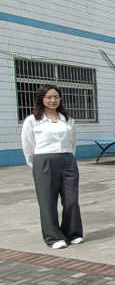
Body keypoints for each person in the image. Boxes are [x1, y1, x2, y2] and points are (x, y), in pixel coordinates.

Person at [21, 85, 84, 249]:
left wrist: (68, 158)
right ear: (41, 99)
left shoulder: (68, 120)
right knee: (47, 201)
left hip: (67, 160)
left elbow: (72, 142)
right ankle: (53, 237)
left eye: (56, 97)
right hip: (44, 161)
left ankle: (73, 233)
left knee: (71, 199)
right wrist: (37, 165)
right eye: (48, 97)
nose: (53, 100)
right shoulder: (33, 120)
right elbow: (28, 146)